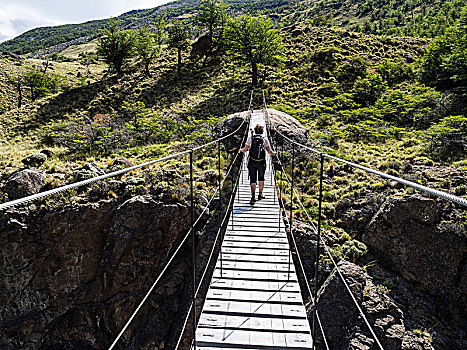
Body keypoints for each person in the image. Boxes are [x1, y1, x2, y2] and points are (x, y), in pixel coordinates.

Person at [239, 124, 277, 205]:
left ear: (255, 130)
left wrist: (240, 150)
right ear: (263, 131)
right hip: (261, 161)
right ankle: (260, 194)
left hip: (252, 161)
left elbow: (245, 150)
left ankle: (253, 197)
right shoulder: (264, 139)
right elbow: (269, 152)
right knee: (261, 178)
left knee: (253, 179)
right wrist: (275, 153)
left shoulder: (251, 138)